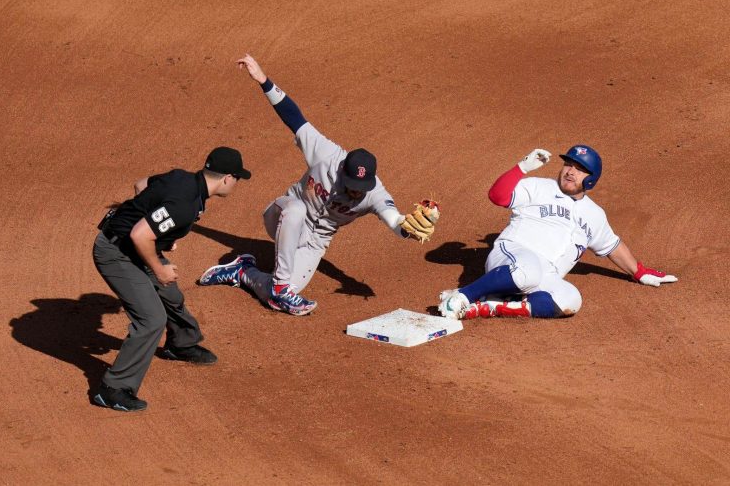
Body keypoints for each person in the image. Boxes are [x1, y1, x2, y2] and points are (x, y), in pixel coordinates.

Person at [198, 54, 435, 316]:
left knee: (284, 292)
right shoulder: (326, 155)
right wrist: (263, 80)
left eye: (361, 186)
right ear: (343, 169)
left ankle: (244, 271)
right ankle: (280, 286)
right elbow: (293, 117)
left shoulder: (374, 193)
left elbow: (395, 220)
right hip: (281, 214)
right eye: (351, 183)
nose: (356, 191)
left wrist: (408, 229)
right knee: (297, 211)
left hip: (314, 242)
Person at [92, 147, 251, 411]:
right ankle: (113, 389)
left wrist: (161, 233)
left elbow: (141, 185)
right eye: (237, 178)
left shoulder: (184, 179)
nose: (236, 184)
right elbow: (140, 236)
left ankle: (181, 344)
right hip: (116, 253)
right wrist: (159, 267)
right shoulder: (186, 205)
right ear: (227, 178)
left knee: (170, 294)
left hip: (134, 246)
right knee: (151, 319)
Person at [438, 145, 677, 320]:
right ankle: (461, 296)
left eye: (580, 169)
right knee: (527, 270)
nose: (571, 171)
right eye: (568, 164)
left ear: (591, 180)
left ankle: (490, 306)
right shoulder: (538, 187)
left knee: (570, 299)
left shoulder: (594, 215)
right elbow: (497, 196)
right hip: (513, 255)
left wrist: (639, 272)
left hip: (545, 273)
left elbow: (611, 246)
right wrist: (522, 168)